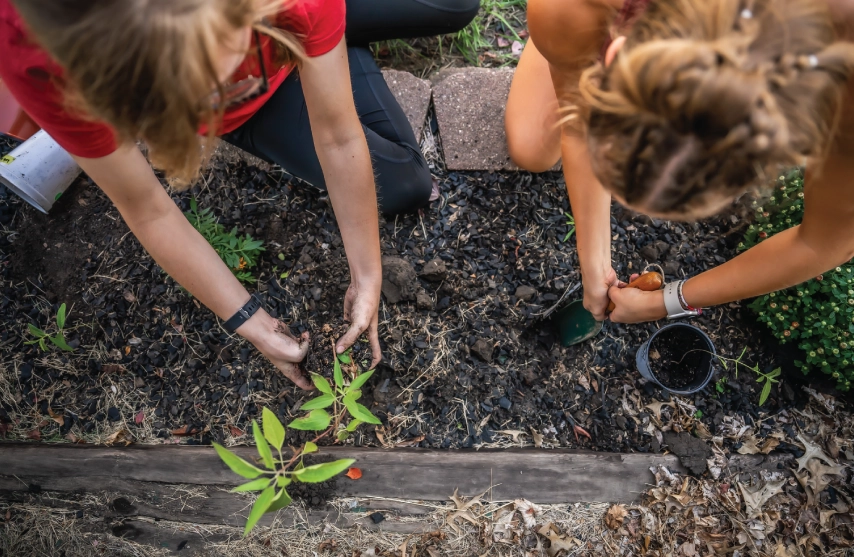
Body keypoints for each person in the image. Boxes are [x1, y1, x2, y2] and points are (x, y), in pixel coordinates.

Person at [0, 0, 479, 389]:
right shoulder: (40, 56)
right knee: (402, 184)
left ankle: (320, 42)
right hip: (268, 76)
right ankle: (323, 50)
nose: (230, 84)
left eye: (234, 67)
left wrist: (369, 272)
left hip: (291, 16)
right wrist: (250, 322)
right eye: (205, 94)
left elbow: (337, 135)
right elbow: (147, 209)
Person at [506, 0, 854, 324]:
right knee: (530, 149)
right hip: (588, 17)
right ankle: (576, 48)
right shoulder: (568, 7)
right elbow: (579, 128)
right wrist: (592, 263)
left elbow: (825, 242)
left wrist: (666, 301)